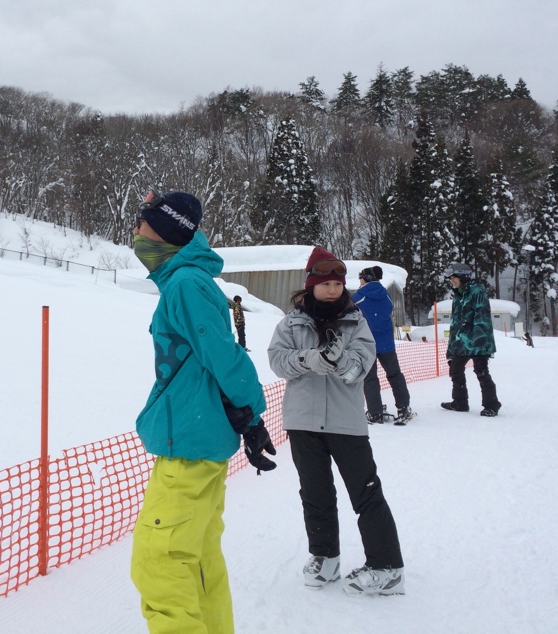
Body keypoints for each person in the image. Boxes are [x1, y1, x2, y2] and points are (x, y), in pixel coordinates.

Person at [130, 188, 276, 633]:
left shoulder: (185, 284)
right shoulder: (187, 280)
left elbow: (224, 356)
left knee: (161, 561)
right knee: (197, 560)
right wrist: (248, 419)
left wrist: (252, 414)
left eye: (143, 224)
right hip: (197, 438)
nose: (135, 233)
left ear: (165, 232)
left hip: (188, 445)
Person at [268, 247, 405, 596]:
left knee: (366, 494)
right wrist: (309, 359)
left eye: (338, 283)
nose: (332, 289)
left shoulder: (355, 321)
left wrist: (341, 361)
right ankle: (325, 557)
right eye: (325, 283)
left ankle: (386, 566)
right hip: (302, 422)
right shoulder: (292, 322)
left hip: (346, 423)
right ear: (310, 284)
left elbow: (364, 363)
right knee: (315, 494)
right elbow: (278, 361)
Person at [351, 265, 413, 424]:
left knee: (370, 379)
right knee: (395, 375)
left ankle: (375, 412)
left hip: (367, 344)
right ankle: (403, 407)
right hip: (387, 344)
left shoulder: (358, 297)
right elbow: (389, 311)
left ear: (365, 278)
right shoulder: (386, 294)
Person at [441, 264, 502, 417]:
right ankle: (460, 402)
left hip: (478, 341)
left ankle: (492, 404)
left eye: (454, 278)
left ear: (463, 277)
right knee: (455, 370)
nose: (452, 281)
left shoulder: (477, 293)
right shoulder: (459, 295)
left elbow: (482, 320)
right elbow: (455, 323)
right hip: (461, 341)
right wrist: (452, 345)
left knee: (481, 372)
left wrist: (476, 343)